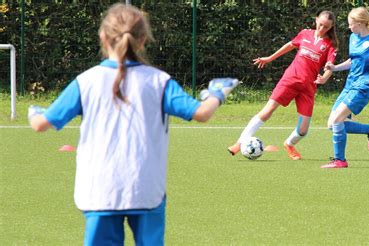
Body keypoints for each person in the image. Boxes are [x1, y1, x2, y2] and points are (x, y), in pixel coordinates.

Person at [28, 3, 238, 245]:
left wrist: (34, 112)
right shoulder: (159, 81)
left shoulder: (85, 81)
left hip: (100, 189)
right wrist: (217, 93)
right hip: (145, 188)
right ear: (143, 40)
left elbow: (41, 124)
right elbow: (201, 113)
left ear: (103, 37)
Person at [227, 10, 339, 160]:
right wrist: (269, 58)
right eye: (320, 24)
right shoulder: (305, 33)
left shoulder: (331, 44)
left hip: (308, 87)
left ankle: (289, 144)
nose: (322, 29)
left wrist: (325, 77)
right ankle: (239, 143)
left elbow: (330, 65)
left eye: (326, 27)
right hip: (290, 79)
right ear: (316, 19)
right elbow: (290, 45)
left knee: (303, 130)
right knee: (267, 111)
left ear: (331, 27)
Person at [321, 7, 369, 168]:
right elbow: (352, 61)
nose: (349, 27)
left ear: (361, 23)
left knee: (337, 121)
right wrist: (334, 68)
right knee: (331, 124)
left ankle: (340, 160)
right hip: (349, 86)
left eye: (351, 24)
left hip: (363, 87)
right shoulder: (353, 38)